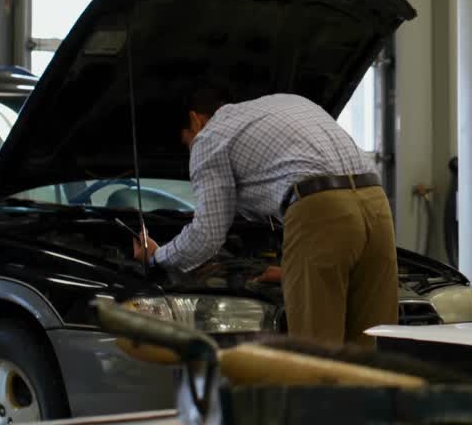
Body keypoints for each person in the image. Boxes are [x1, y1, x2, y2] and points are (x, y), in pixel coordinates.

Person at [132, 89, 398, 347]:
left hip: (320, 210)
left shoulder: (209, 137)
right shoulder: (290, 102)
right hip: (376, 204)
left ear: (195, 120)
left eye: (186, 141)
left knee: (318, 355)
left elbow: (207, 235)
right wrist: (292, 270)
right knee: (370, 353)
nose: (191, 147)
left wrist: (156, 256)